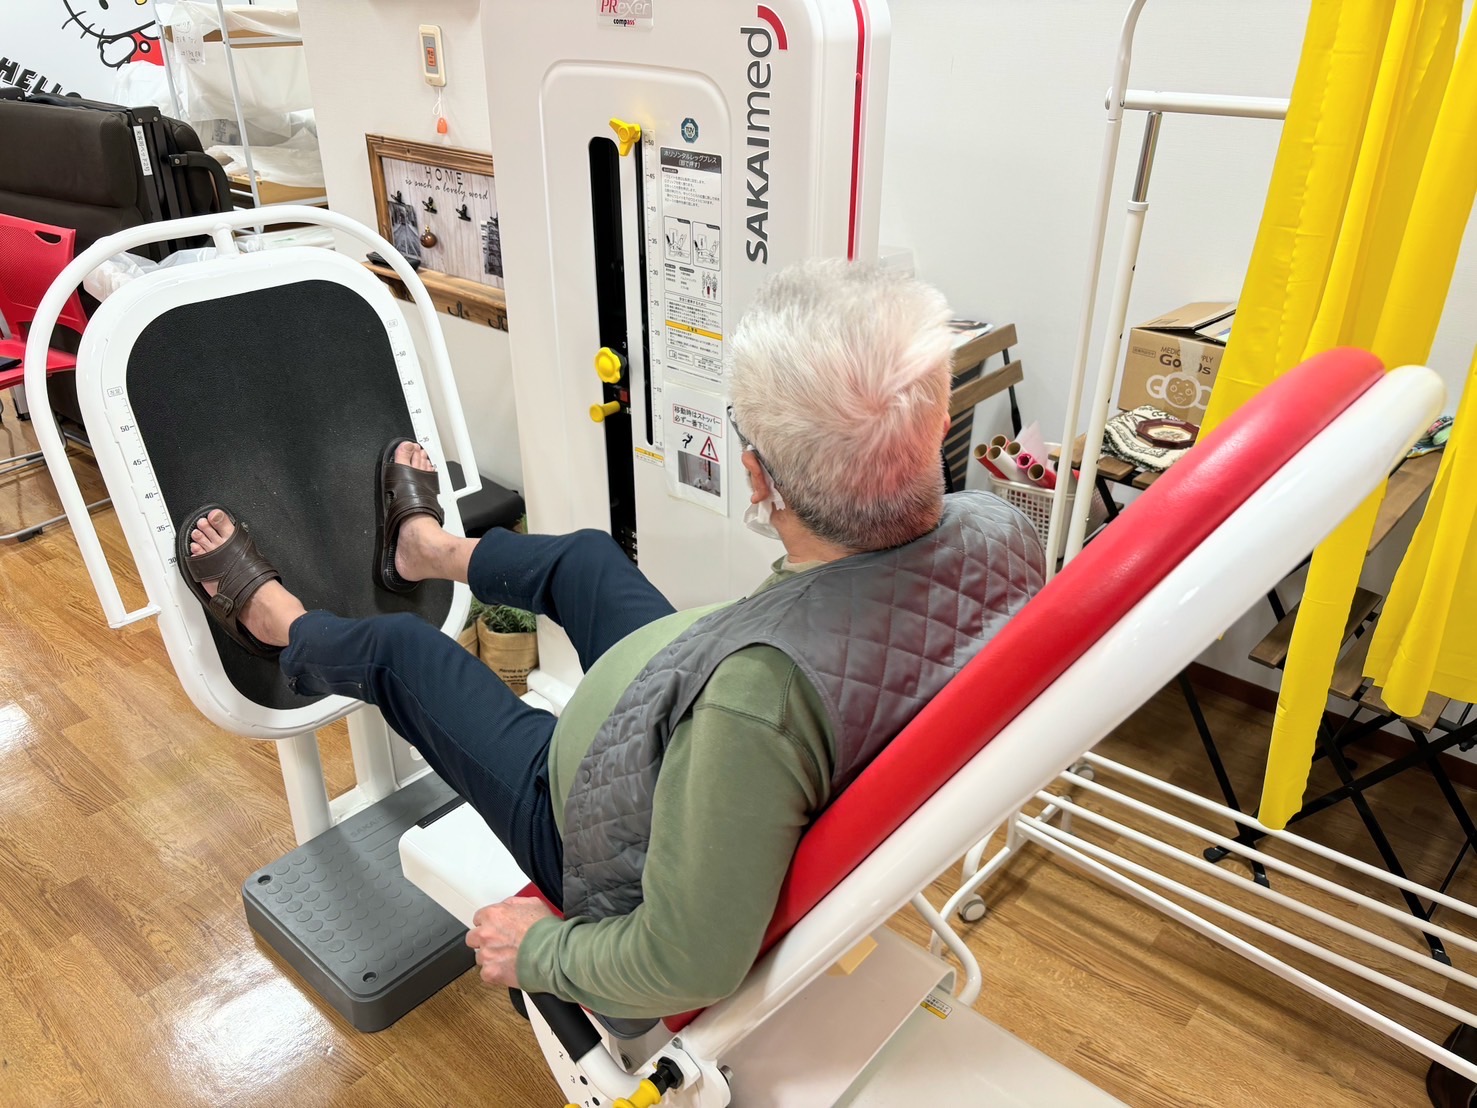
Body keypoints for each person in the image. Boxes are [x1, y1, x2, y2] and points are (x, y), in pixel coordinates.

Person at [177, 259, 1044, 1021]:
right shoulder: (1000, 526)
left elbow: (686, 962)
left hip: (594, 823)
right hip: (683, 704)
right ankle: (426, 550)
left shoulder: (758, 705)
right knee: (585, 561)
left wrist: (539, 951)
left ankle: (277, 625)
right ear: (935, 427)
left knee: (404, 653)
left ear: (757, 478)